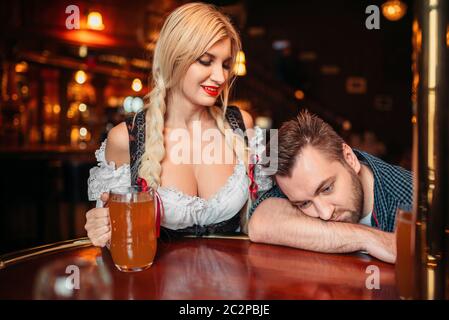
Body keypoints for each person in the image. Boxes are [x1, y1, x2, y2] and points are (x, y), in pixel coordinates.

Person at [85, 3, 271, 247]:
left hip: (234, 281)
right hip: (158, 283)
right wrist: (105, 231)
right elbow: (119, 242)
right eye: (206, 61)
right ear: (174, 59)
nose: (220, 76)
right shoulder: (125, 138)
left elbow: (268, 206)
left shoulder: (241, 123)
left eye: (225, 64)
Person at [248, 110, 413, 263]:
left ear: (350, 159)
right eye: (305, 204)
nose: (325, 214)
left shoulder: (411, 199)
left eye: (327, 189)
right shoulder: (301, 184)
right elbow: (260, 222)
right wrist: (368, 239)